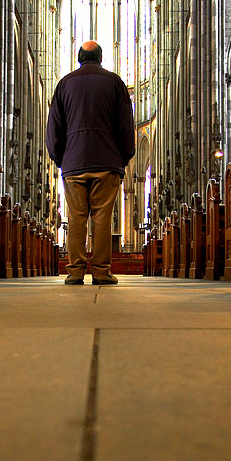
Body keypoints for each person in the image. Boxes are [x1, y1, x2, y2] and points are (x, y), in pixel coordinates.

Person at [46, 41, 135, 285]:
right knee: (102, 218)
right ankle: (101, 271)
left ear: (79, 58)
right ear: (100, 58)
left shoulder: (64, 84)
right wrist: (124, 157)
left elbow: (54, 127)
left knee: (76, 219)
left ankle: (74, 272)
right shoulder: (115, 83)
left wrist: (60, 157)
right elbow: (125, 125)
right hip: (106, 162)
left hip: (74, 163)